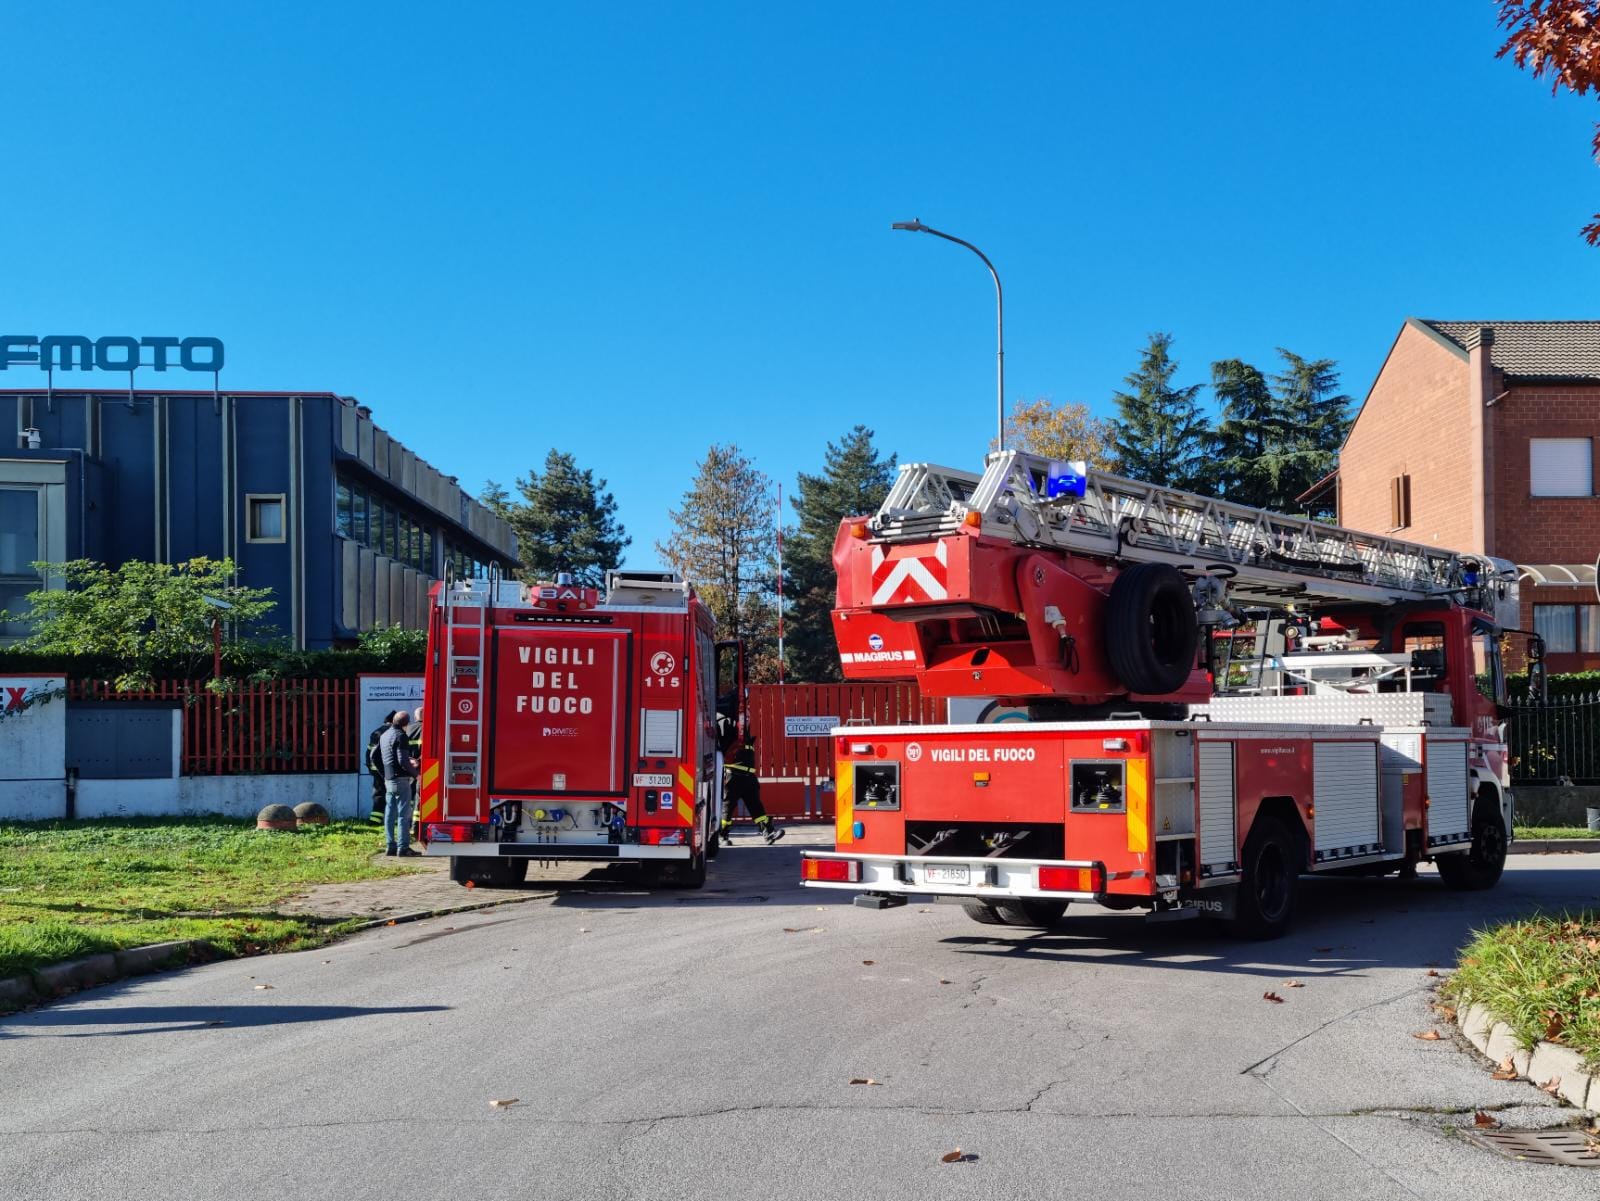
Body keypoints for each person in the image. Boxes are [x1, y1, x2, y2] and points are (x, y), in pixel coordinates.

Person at [722, 736, 784, 845]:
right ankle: (723, 837)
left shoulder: (747, 734)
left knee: (756, 806)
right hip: (732, 776)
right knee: (728, 808)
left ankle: (768, 833)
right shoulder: (728, 729)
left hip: (749, 777)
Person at [379, 710, 420, 856]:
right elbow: (403, 761)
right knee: (404, 814)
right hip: (401, 780)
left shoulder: (384, 735)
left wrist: (384, 773)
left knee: (389, 813)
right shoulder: (401, 736)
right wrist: (417, 775)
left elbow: (375, 756)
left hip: (388, 779)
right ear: (406, 723)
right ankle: (403, 848)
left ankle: (390, 845)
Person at [365, 711, 400, 824]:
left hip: (375, 769)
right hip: (388, 769)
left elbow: (368, 752)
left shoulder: (376, 732)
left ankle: (375, 820)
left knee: (379, 794)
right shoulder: (393, 732)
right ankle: (396, 820)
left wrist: (370, 768)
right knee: (395, 794)